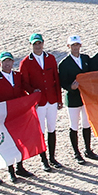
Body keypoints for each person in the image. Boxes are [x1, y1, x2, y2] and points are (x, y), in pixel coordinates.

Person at [20, 32, 64, 168]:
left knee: (52, 128)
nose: (38, 46)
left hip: (52, 99)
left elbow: (56, 79)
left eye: (39, 43)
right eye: (35, 44)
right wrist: (33, 92)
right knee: (41, 131)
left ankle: (52, 157)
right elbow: (24, 83)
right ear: (31, 45)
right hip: (39, 102)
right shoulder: (26, 62)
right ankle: (44, 160)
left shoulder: (50, 58)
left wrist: (59, 98)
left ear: (43, 43)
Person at [0, 52, 33, 180]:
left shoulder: (18, 76)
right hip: (5, 117)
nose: (7, 64)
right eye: (4, 62)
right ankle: (11, 170)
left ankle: (20, 167)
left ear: (13, 62)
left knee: (20, 142)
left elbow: (23, 91)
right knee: (9, 144)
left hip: (18, 116)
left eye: (9, 61)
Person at [57, 37, 94, 160]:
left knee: (86, 123)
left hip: (85, 96)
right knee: (74, 125)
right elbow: (62, 82)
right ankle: (76, 152)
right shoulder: (64, 63)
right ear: (69, 46)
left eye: (77, 44)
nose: (75, 47)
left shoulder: (86, 59)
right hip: (73, 98)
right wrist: (70, 87)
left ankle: (88, 149)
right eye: (73, 45)